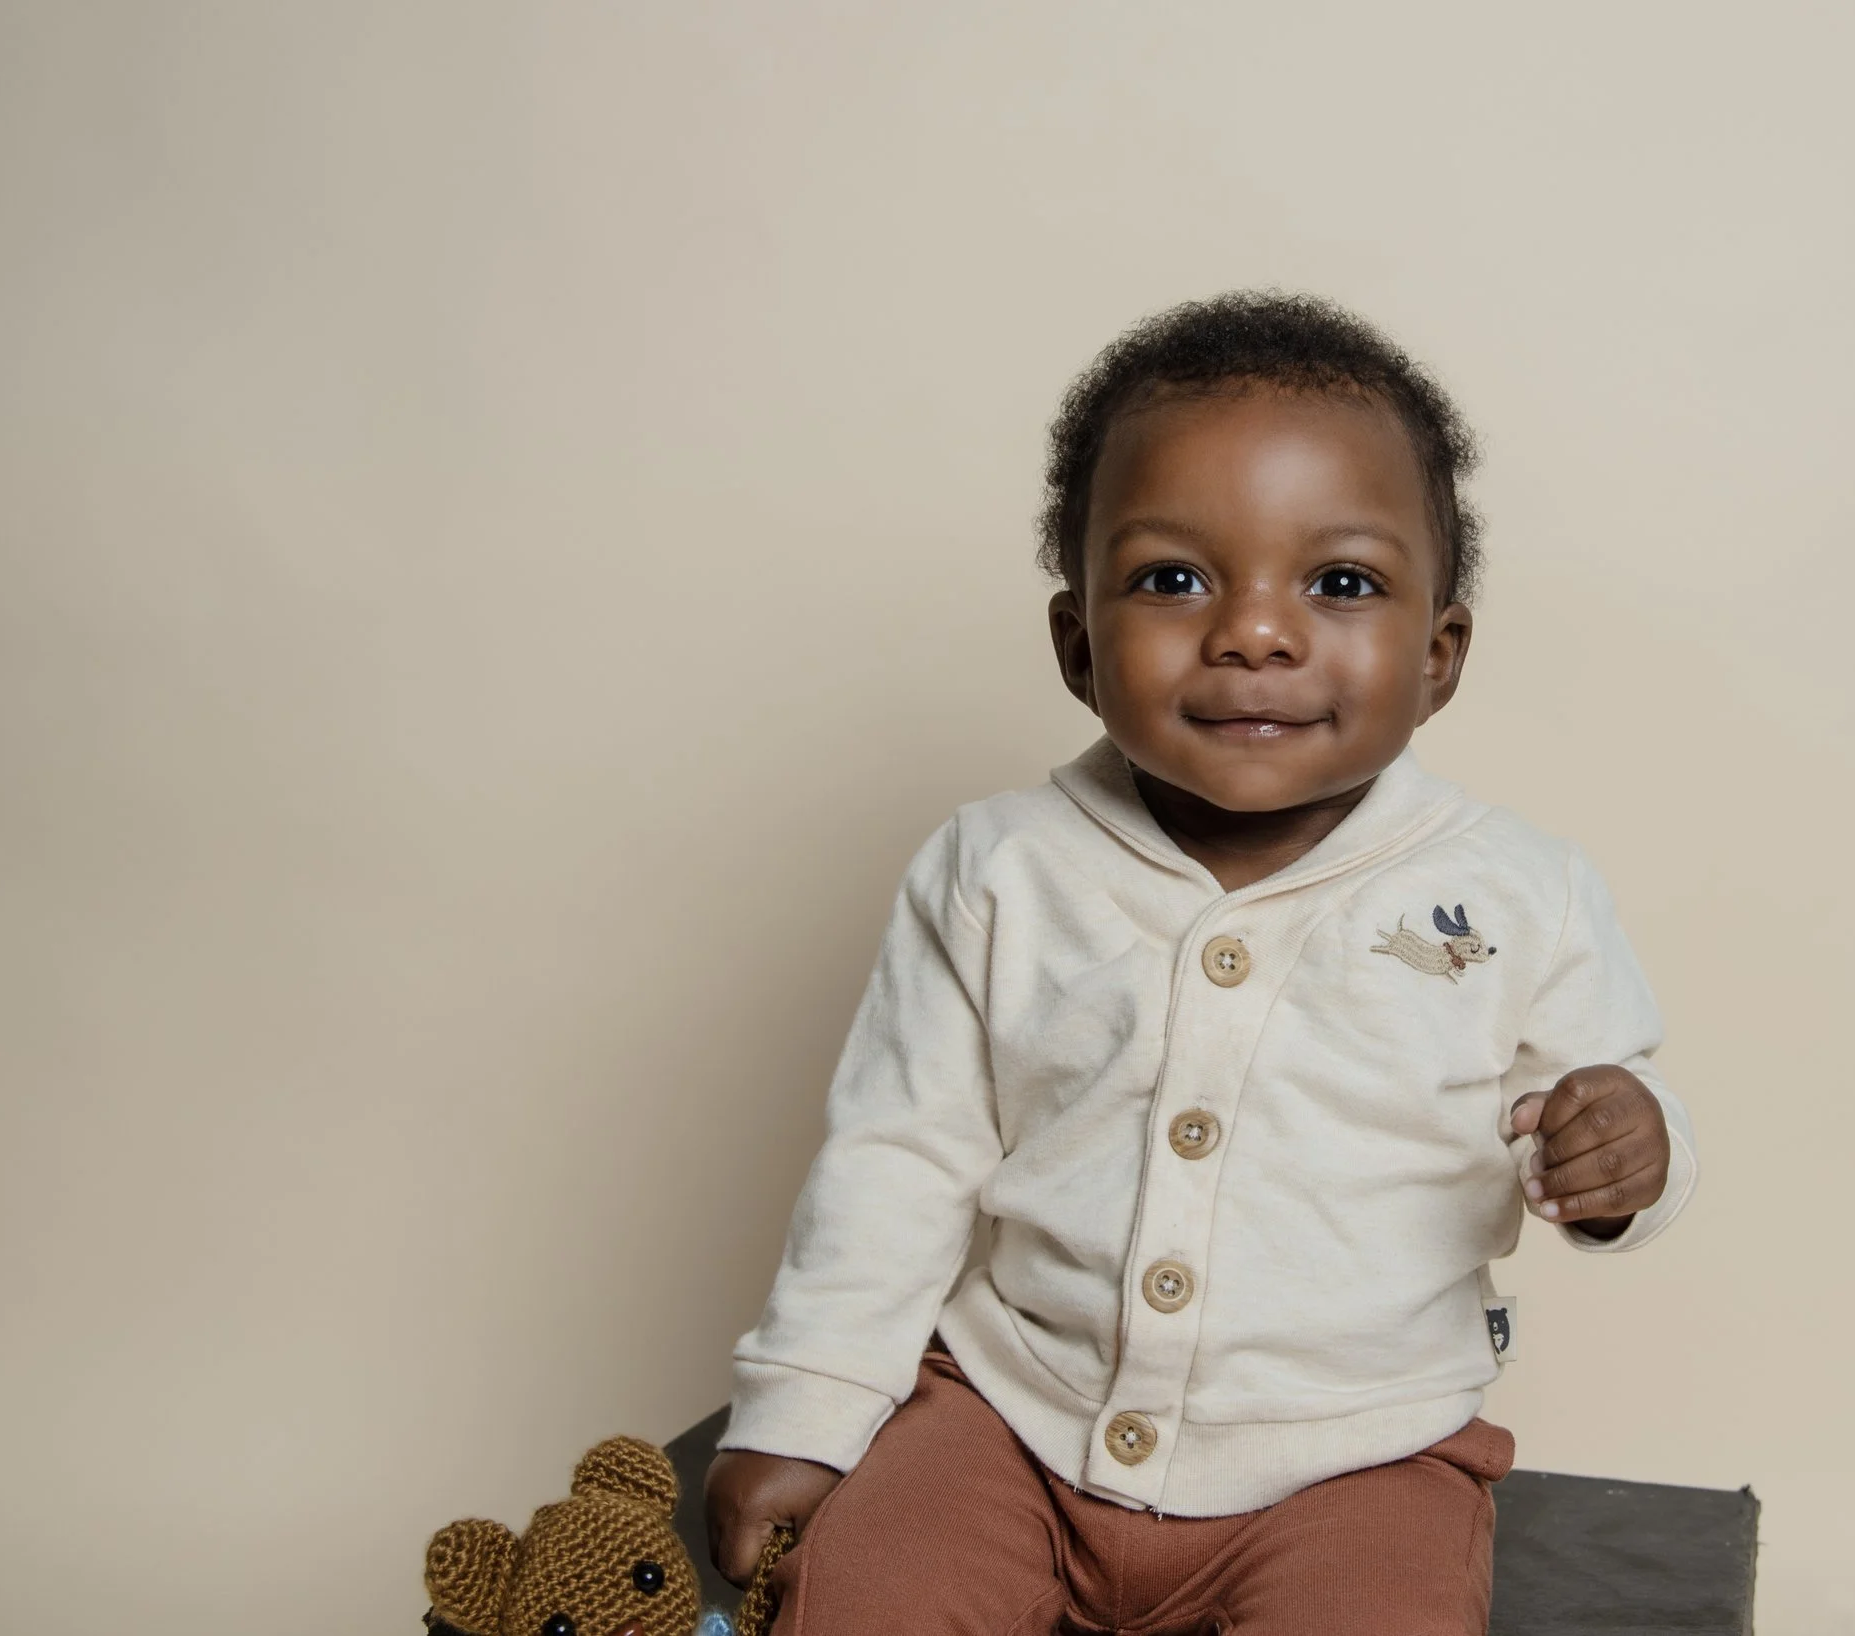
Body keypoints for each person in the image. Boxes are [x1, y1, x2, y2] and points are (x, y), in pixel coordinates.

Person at [703, 291, 1699, 1634]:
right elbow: (900, 1154)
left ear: (1440, 656)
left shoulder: (1519, 890)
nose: (1255, 632)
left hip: (1357, 1454)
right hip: (1013, 1422)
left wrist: (1626, 1152)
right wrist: (807, 1413)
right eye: (1174, 579)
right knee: (865, 1594)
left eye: (1340, 583)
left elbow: (1603, 1095)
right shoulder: (1000, 868)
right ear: (1076, 645)